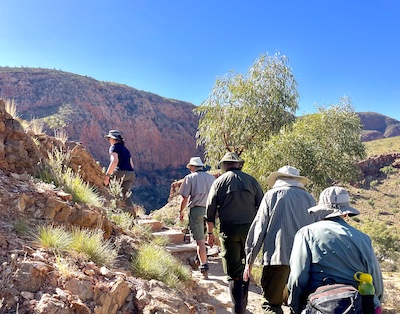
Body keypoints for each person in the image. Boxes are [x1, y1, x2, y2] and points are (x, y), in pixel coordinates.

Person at [287, 186, 384, 314]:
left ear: (321, 210)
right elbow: (376, 283)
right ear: (345, 213)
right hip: (357, 307)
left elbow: (297, 278)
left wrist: (295, 306)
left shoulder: (306, 233)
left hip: (319, 306)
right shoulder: (363, 238)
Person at [244, 165, 317, 314]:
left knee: (271, 305)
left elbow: (259, 228)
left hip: (277, 258)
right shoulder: (309, 198)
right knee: (300, 306)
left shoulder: (272, 196)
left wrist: (249, 261)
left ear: (279, 179)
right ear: (297, 180)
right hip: (305, 262)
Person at [206, 152, 264, 314]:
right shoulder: (252, 181)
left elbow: (210, 210)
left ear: (224, 165)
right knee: (247, 266)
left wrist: (210, 233)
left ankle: (237, 308)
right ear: (238, 164)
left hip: (229, 230)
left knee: (233, 271)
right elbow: (262, 206)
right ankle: (243, 304)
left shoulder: (219, 182)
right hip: (250, 230)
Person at [178, 157, 215, 277]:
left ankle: (204, 266)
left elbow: (185, 198)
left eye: (190, 168)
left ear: (193, 167)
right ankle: (198, 260)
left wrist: (181, 211)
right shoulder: (211, 178)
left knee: (199, 240)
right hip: (211, 211)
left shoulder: (190, 178)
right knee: (205, 236)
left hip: (197, 210)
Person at [104, 130, 136, 210]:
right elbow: (131, 164)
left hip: (120, 172)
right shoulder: (126, 149)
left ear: (113, 139)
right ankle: (131, 214)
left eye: (109, 139)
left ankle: (110, 209)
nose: (109, 141)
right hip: (130, 174)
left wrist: (107, 176)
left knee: (107, 188)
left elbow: (114, 161)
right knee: (125, 195)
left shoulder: (113, 147)